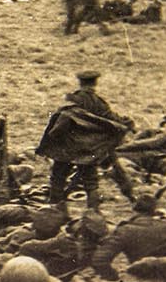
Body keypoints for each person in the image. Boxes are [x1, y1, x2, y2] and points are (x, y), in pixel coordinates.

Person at [37, 70, 135, 210]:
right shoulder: (99, 103)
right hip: (90, 151)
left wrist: (55, 142)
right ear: (95, 83)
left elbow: (58, 128)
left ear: (80, 83)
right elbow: (112, 119)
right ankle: (94, 213)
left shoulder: (72, 101)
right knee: (91, 183)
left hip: (67, 150)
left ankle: (54, 212)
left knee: (58, 179)